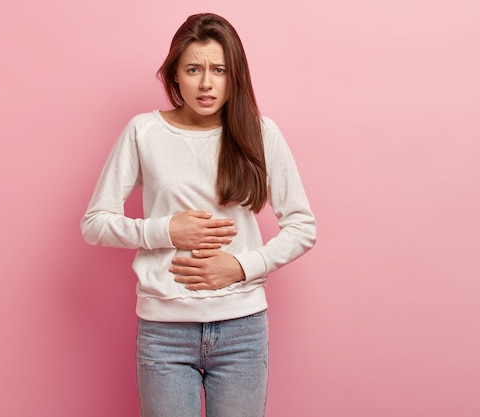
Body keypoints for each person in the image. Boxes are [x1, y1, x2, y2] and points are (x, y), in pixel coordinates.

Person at [81, 12, 316, 417]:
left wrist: (243, 267)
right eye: (193, 69)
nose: (206, 83)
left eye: (219, 70)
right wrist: (165, 230)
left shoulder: (259, 133)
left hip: (242, 329)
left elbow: (302, 226)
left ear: (233, 75)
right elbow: (94, 223)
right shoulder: (144, 132)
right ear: (175, 76)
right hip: (164, 332)